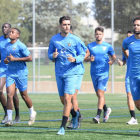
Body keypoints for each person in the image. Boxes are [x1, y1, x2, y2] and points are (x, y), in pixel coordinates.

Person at [48, 16, 86, 135]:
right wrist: (53, 56)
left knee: (68, 98)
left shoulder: (75, 39)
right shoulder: (54, 39)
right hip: (59, 73)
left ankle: (62, 127)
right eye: (64, 24)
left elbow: (83, 54)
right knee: (63, 100)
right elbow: (49, 54)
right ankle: (75, 115)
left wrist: (75, 59)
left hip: (72, 72)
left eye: (68, 24)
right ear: (60, 26)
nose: (67, 26)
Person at [4, 28, 36, 126]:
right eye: (10, 31)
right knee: (9, 95)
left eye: (12, 32)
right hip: (10, 73)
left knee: (24, 96)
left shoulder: (21, 45)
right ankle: (9, 119)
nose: (10, 33)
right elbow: (8, 58)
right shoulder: (7, 45)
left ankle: (32, 112)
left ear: (17, 35)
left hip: (21, 74)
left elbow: (30, 58)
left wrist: (15, 59)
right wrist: (7, 60)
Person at [85, 27, 116, 123]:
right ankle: (106, 110)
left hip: (104, 73)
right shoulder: (90, 46)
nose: (98, 35)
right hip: (94, 73)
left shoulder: (107, 46)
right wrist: (89, 59)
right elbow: (84, 58)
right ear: (95, 35)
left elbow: (113, 56)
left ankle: (98, 116)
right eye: (97, 34)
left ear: (103, 35)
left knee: (100, 93)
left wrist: (112, 62)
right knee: (99, 95)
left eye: (100, 34)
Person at [67, 25, 90, 129]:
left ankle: (74, 120)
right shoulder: (62, 42)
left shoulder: (77, 40)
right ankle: (78, 115)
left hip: (77, 72)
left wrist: (78, 59)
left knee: (72, 96)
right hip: (66, 72)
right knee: (64, 99)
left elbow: (87, 52)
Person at [122, 16, 140, 136]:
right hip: (133, 76)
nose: (136, 27)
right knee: (138, 104)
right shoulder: (128, 41)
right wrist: (127, 56)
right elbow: (124, 49)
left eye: (138, 25)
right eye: (135, 25)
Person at [0, 23, 20, 124]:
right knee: (0, 90)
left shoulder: (13, 40)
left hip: (12, 69)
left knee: (12, 94)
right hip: (2, 69)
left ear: (10, 29)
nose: (4, 28)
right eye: (3, 27)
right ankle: (7, 114)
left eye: (6, 27)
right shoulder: (0, 40)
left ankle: (17, 115)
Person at [118, 31, 138, 125]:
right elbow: (124, 60)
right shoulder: (126, 46)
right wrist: (121, 63)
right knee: (130, 96)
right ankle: (133, 117)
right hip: (130, 74)